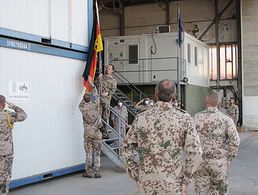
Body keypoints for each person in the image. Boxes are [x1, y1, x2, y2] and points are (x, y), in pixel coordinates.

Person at [123, 79, 203, 195]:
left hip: (146, 184)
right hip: (174, 185)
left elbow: (126, 148)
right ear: (174, 95)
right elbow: (196, 152)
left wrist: (136, 174)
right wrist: (186, 180)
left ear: (156, 94)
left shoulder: (141, 118)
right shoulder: (184, 118)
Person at [193, 91, 240, 195]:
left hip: (201, 163)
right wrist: (229, 158)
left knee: (201, 191)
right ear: (219, 103)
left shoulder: (196, 118)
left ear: (206, 102)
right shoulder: (226, 119)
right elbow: (235, 141)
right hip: (219, 163)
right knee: (219, 191)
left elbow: (190, 141)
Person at [0, 95, 27, 195]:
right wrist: (12, 106)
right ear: (3, 104)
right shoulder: (8, 115)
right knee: (4, 176)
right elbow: (23, 115)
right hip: (6, 152)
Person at [79, 77, 102, 178]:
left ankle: (89, 171)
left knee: (89, 152)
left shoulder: (82, 107)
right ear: (91, 99)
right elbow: (96, 93)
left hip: (88, 133)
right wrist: (91, 83)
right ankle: (97, 171)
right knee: (97, 152)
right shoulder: (96, 104)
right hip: (97, 132)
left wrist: (85, 96)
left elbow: (82, 102)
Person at [95, 64, 117, 139]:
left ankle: (105, 133)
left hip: (106, 101)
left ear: (112, 71)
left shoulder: (113, 80)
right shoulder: (101, 77)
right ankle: (98, 131)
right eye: (107, 68)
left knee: (105, 117)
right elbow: (95, 84)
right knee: (98, 116)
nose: (107, 69)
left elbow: (113, 90)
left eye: (109, 68)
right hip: (99, 100)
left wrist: (108, 93)